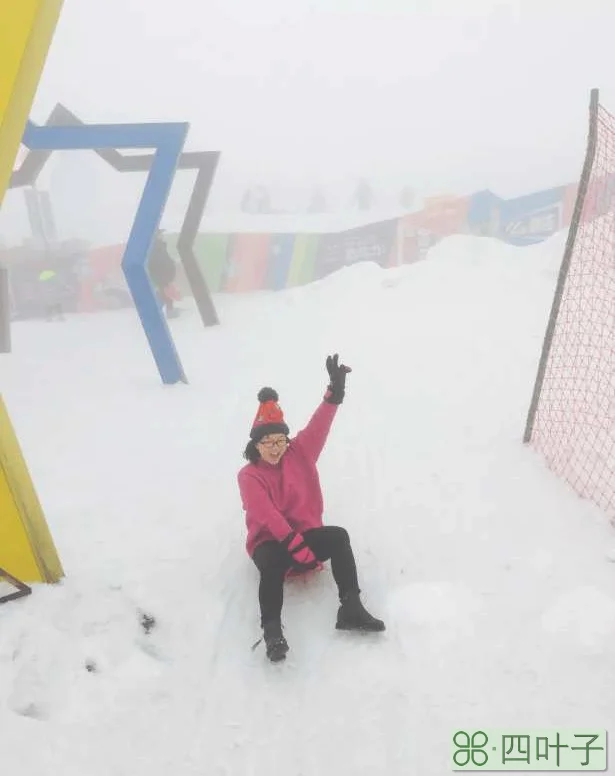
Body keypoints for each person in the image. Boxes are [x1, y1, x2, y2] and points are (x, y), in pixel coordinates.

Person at [237, 354, 385, 662]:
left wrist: (334, 393)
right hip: (272, 542)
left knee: (339, 537)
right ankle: (273, 632)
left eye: (281, 440)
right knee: (271, 564)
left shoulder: (300, 453)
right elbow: (267, 515)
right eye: (268, 443)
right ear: (256, 446)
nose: (276, 448)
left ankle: (351, 608)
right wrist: (295, 546)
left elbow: (319, 425)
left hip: (303, 537)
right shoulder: (249, 475)